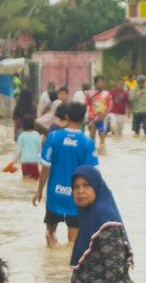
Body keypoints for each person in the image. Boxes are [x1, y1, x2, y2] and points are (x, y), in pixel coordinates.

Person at [33, 102, 99, 247]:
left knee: (50, 234)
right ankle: (66, 267)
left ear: (67, 116)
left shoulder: (53, 137)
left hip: (54, 194)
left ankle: (50, 266)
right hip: (76, 196)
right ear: (83, 119)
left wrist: (39, 191)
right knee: (73, 242)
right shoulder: (87, 142)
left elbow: (45, 167)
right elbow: (91, 174)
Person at [13, 114, 42, 180]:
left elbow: (18, 151)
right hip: (34, 161)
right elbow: (40, 150)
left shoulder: (21, 136)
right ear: (34, 124)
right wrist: (41, 161)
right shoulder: (37, 135)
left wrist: (13, 162)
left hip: (24, 162)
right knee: (35, 180)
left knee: (26, 180)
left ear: (23, 124)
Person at [87, 76, 112, 146]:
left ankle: (102, 149)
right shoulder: (90, 93)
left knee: (102, 135)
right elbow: (86, 105)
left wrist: (105, 114)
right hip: (92, 118)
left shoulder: (107, 94)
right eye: (98, 82)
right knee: (92, 136)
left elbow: (110, 105)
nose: (100, 84)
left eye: (101, 82)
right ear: (95, 84)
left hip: (102, 118)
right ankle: (92, 150)